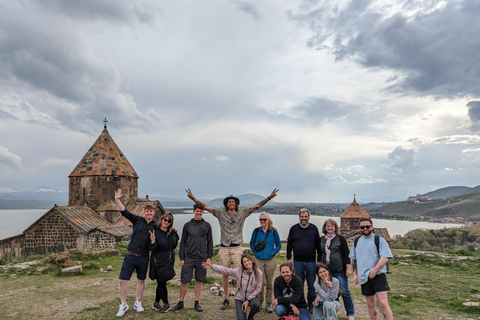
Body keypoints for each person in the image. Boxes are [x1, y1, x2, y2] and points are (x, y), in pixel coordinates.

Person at [185, 187, 279, 310]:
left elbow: (256, 207)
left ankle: (243, 298)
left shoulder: (242, 213)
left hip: (237, 248)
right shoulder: (220, 213)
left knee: (242, 274)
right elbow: (205, 207)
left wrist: (269, 197)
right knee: (225, 274)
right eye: (229, 202)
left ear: (236, 204)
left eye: (233, 202)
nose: (231, 203)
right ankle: (226, 299)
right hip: (224, 248)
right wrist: (193, 198)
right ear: (226, 204)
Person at [114, 188, 156, 317]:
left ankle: (138, 301)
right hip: (131, 254)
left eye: (151, 211)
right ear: (144, 212)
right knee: (122, 280)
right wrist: (117, 199)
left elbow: (167, 227)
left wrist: (154, 241)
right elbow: (124, 211)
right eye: (147, 211)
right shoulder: (138, 220)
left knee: (141, 280)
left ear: (154, 213)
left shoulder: (156, 226)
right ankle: (123, 304)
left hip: (143, 257)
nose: (149, 213)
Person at [170, 204, 213, 313]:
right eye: (197, 211)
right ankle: (180, 302)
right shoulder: (187, 225)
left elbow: (210, 242)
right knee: (184, 280)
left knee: (199, 280)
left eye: (200, 211)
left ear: (203, 212)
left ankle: (197, 303)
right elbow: (183, 242)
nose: (199, 213)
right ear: (194, 211)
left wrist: (209, 257)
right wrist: (182, 258)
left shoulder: (207, 225)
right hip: (188, 257)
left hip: (202, 257)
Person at [349, 218, 393, 320]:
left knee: (383, 303)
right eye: (362, 227)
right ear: (360, 228)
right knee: (370, 303)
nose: (365, 228)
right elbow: (354, 259)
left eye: (367, 226)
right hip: (364, 277)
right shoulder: (357, 241)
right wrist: (355, 275)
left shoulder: (379, 240)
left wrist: (374, 270)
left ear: (372, 227)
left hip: (378, 275)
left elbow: (385, 258)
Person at [203, 254, 263, 320]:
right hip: (240, 298)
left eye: (248, 260)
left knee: (256, 305)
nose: (247, 263)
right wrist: (212, 267)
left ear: (251, 260)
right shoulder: (239, 271)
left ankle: (251, 316)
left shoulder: (259, 273)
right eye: (244, 262)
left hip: (251, 297)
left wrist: (248, 300)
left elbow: (258, 288)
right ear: (243, 264)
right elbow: (226, 270)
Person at [286, 208, 321, 313]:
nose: (304, 218)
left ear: (309, 217)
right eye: (302, 216)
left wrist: (318, 260)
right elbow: (289, 245)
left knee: (311, 284)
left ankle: (311, 304)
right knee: (298, 284)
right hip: (298, 262)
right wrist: (288, 258)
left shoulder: (314, 228)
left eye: (306, 216)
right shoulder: (294, 229)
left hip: (311, 262)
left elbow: (318, 246)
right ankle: (301, 304)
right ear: (299, 217)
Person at [319, 219, 355, 320]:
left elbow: (346, 254)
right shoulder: (321, 239)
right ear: (325, 228)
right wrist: (318, 267)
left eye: (332, 226)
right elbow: (320, 253)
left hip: (339, 270)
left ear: (335, 228)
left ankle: (350, 313)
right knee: (327, 290)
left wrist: (348, 268)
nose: (330, 228)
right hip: (326, 271)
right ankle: (331, 310)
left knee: (344, 291)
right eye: (328, 226)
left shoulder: (340, 239)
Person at [249, 212, 281, 313]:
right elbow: (251, 243)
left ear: (268, 220)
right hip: (258, 260)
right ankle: (259, 302)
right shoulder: (256, 231)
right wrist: (255, 254)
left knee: (269, 283)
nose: (263, 221)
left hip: (270, 260)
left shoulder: (273, 231)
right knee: (259, 283)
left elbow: (279, 245)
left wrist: (273, 252)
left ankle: (268, 303)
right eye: (261, 220)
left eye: (264, 219)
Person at [149, 212, 179, 313]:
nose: (166, 222)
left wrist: (175, 230)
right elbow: (152, 249)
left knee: (162, 281)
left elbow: (175, 243)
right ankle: (166, 303)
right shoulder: (155, 231)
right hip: (157, 260)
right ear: (161, 219)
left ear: (171, 223)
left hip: (169, 259)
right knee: (161, 282)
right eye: (165, 220)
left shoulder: (172, 233)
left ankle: (156, 302)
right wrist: (153, 241)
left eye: (168, 221)